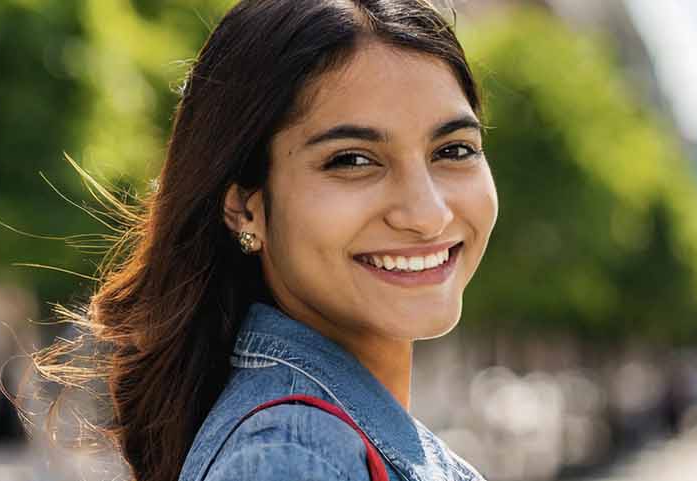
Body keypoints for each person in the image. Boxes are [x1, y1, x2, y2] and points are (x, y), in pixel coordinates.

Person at [27, 1, 497, 480]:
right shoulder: (294, 457)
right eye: (353, 160)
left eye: (454, 150)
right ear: (245, 206)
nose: (427, 214)